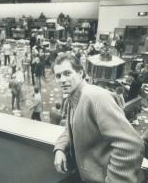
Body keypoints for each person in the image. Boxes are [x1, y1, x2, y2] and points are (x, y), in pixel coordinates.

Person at [52, 53, 144, 183]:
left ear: (80, 73)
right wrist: (60, 148)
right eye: (58, 76)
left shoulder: (95, 97)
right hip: (83, 175)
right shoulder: (72, 99)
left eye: (67, 73)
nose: (62, 79)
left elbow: (131, 145)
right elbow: (70, 129)